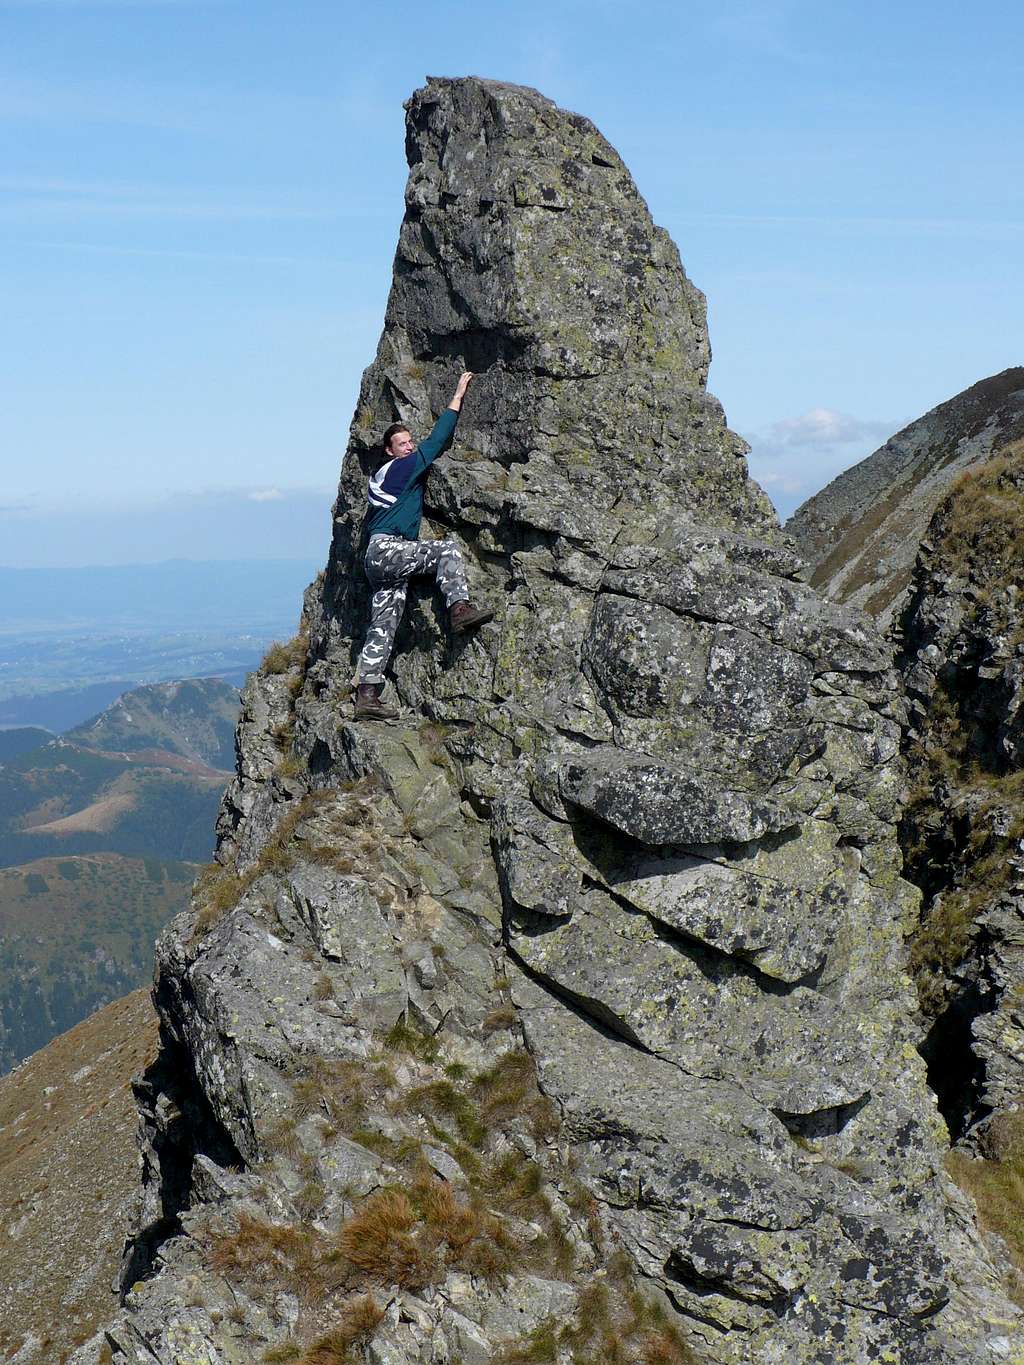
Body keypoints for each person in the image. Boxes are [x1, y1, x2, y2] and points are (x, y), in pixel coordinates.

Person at [353, 370, 493, 720]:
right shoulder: (401, 468)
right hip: (389, 550)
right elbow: (439, 438)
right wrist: (458, 393)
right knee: (446, 550)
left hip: (378, 558)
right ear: (390, 451)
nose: (410, 446)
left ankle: (367, 694)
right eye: (402, 443)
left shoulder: (381, 478)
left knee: (383, 624)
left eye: (409, 441)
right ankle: (459, 609)